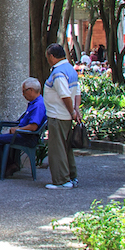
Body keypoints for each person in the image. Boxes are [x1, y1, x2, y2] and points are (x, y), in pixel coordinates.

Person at [42, 43, 81, 189]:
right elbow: (76, 91)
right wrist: (75, 110)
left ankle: (61, 180)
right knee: (66, 148)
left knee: (57, 150)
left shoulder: (58, 72)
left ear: (52, 56)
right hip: (65, 116)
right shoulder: (70, 69)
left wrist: (72, 111)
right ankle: (71, 176)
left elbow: (65, 95)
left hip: (58, 115)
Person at [0, 79, 48, 177]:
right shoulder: (34, 103)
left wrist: (18, 129)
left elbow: (33, 126)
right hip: (23, 134)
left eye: (24, 91)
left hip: (27, 137)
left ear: (31, 90)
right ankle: (7, 165)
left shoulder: (38, 105)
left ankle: (7, 165)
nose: (23, 94)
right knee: (1, 138)